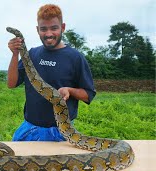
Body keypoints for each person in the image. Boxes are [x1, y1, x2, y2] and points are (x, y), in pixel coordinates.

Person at [7, 4, 96, 141]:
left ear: (63, 27)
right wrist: (15, 55)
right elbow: (11, 84)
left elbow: (88, 94)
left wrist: (70, 90)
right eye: (43, 29)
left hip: (61, 132)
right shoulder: (31, 54)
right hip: (30, 128)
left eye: (54, 28)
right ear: (38, 30)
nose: (48, 34)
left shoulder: (75, 58)